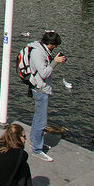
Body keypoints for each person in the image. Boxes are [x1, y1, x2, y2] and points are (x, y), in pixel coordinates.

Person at [28, 31, 66, 161]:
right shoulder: (38, 52)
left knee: (37, 117)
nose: (54, 48)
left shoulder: (41, 49)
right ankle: (37, 150)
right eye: (54, 46)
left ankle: (35, 140)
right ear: (49, 44)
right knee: (41, 121)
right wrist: (55, 62)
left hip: (42, 88)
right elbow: (44, 73)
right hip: (41, 90)